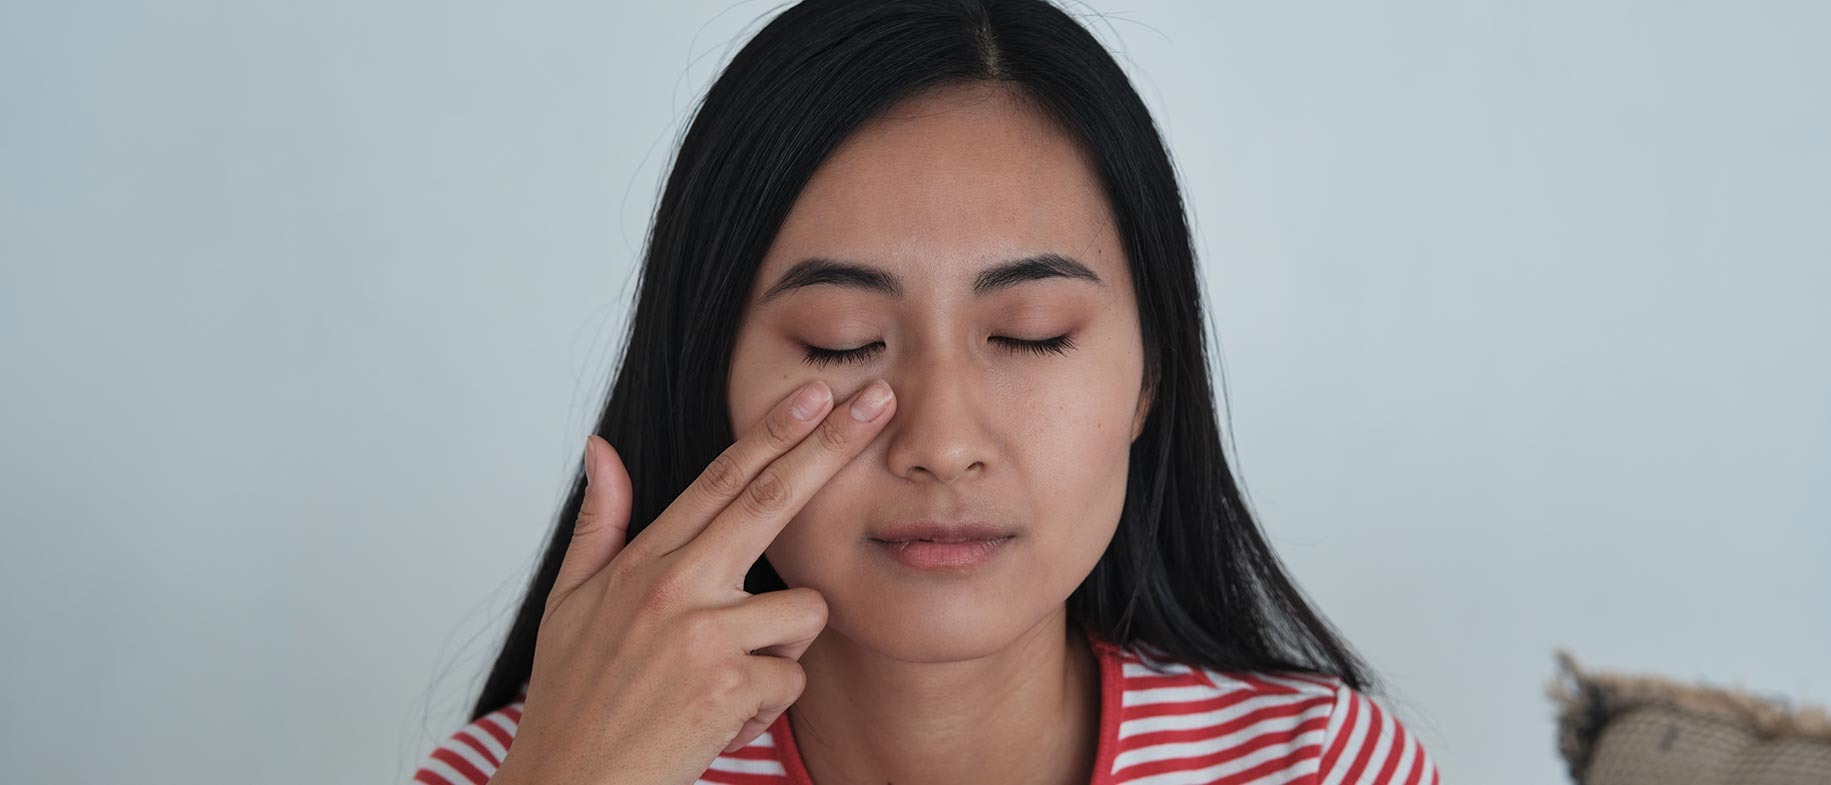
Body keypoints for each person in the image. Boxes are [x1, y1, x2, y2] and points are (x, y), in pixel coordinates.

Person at [411, 0, 1440, 782]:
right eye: (841, 342)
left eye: (1030, 335)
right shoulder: (523, 767)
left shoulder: (1319, 763)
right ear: (710, 375)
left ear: (1149, 379)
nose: (943, 441)